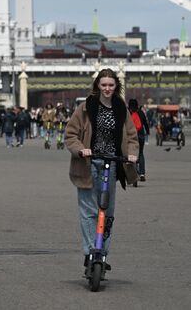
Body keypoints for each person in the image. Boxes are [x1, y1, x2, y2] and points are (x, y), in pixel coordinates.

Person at [65, 68, 138, 279]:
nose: (107, 88)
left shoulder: (120, 108)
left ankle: (102, 254)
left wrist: (132, 154)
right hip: (89, 162)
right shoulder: (85, 107)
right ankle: (91, 253)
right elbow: (70, 134)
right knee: (89, 211)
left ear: (116, 86)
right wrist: (81, 148)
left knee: (107, 212)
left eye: (111, 85)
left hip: (112, 163)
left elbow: (132, 137)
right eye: (103, 84)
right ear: (97, 85)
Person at [128, 99, 149, 182]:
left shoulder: (128, 113)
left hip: (130, 136)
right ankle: (142, 173)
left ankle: (130, 173)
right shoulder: (140, 112)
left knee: (129, 153)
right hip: (140, 135)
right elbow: (145, 123)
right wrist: (147, 131)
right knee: (140, 153)